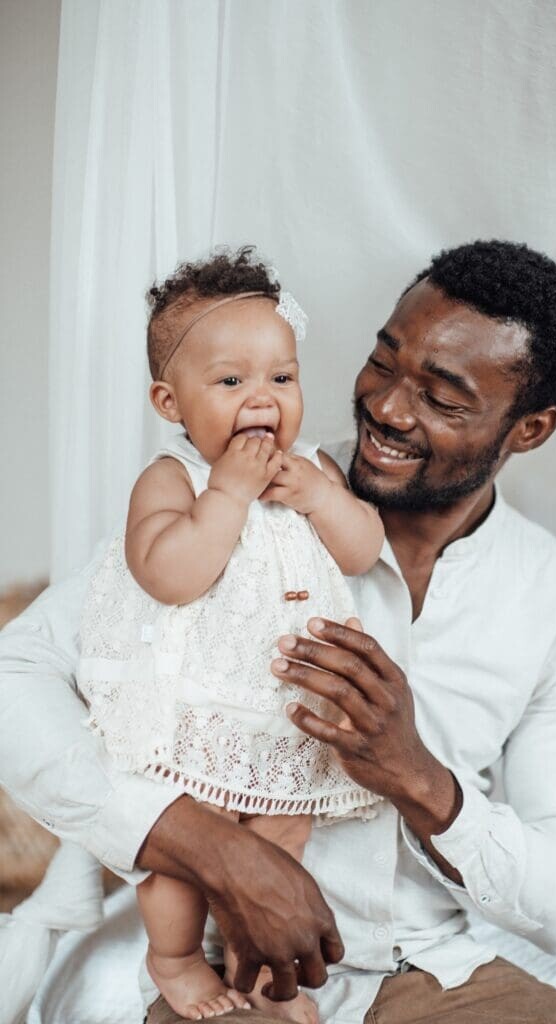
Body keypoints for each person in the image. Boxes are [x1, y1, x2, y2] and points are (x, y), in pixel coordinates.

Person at [0, 240, 556, 1024]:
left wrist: (417, 777)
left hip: (425, 967)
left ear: (527, 431)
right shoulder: (226, 492)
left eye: (443, 398)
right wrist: (202, 844)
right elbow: (13, 673)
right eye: (383, 362)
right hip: (228, 959)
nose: (389, 409)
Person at [77, 247, 384, 1021]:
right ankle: (175, 961)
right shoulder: (173, 478)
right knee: (181, 857)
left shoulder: (312, 467)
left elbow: (361, 550)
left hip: (282, 717)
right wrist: (228, 494)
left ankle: (260, 981)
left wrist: (319, 496)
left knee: (278, 852)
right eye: (230, 381)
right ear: (170, 402)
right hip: (193, 719)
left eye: (281, 378)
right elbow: (169, 573)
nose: (263, 398)